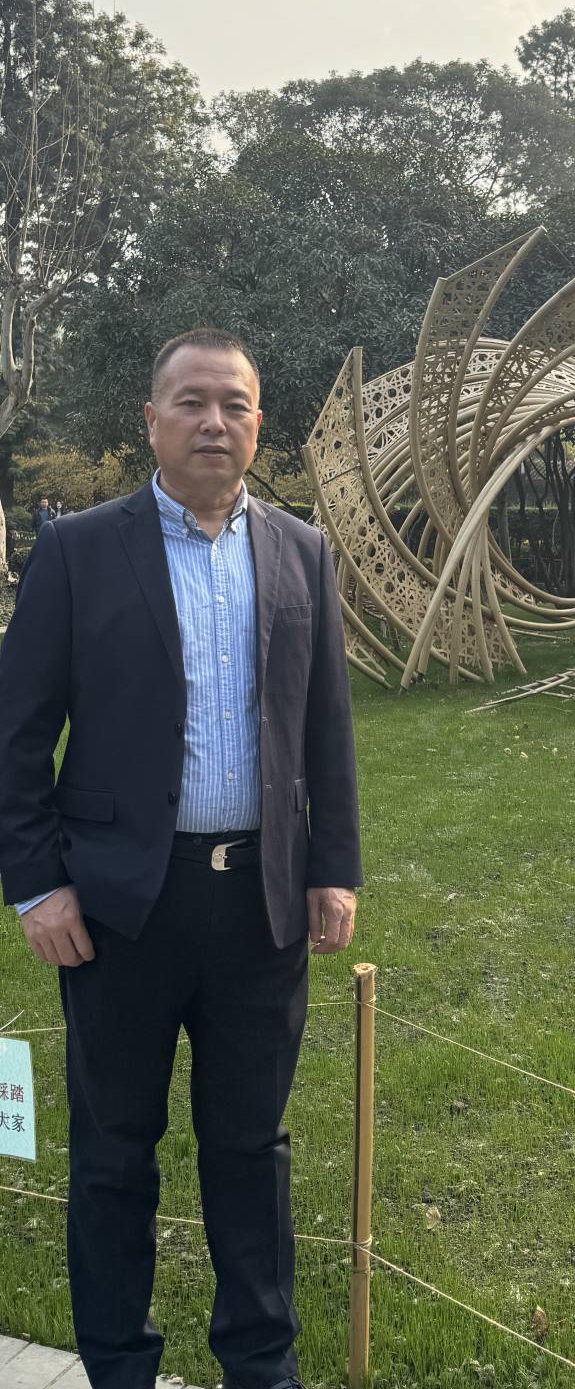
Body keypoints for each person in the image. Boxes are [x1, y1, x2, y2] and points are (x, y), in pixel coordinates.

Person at [0, 327, 362, 1389]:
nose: (214, 421)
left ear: (258, 424)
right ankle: (117, 1366)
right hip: (120, 909)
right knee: (114, 1151)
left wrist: (332, 864)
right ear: (151, 420)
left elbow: (327, 725)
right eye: (192, 402)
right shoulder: (77, 550)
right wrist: (37, 883)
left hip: (260, 907)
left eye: (234, 404)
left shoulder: (302, 551)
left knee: (250, 1149)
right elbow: (17, 735)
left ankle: (260, 1366)